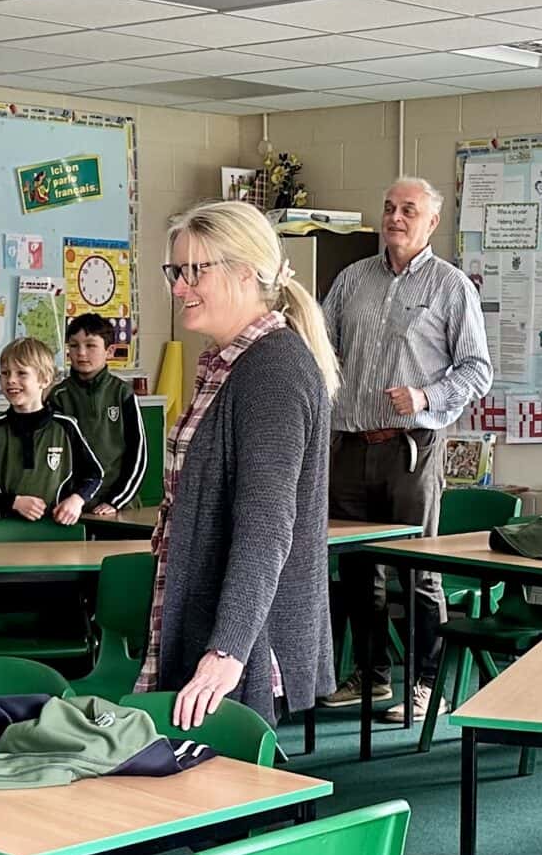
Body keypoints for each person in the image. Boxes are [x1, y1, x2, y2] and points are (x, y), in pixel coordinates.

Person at [141, 200, 339, 732]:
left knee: (226, 797)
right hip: (217, 614)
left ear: (246, 273)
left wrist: (227, 650)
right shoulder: (229, 362)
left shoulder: (272, 371)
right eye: (176, 272)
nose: (180, 287)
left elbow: (267, 525)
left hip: (246, 636)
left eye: (194, 271)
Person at [320, 176, 492, 724]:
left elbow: (478, 371)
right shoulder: (351, 280)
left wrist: (425, 394)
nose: (395, 217)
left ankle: (425, 684)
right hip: (347, 445)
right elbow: (321, 351)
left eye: (408, 210)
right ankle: (368, 677)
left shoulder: (451, 286)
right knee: (356, 572)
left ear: (431, 223)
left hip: (410, 449)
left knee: (418, 574)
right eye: (389, 207)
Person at [0, 337, 103, 524]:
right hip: (0, 533)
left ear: (44, 379)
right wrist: (13, 502)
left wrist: (76, 500)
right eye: (5, 373)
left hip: (55, 533)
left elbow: (94, 475)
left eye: (21, 373)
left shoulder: (65, 427)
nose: (11, 380)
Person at [49, 312, 149, 517]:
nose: (81, 353)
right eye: (74, 346)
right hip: (73, 506)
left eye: (90, 345)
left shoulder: (123, 393)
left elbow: (138, 455)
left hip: (119, 504)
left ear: (109, 351)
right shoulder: (58, 396)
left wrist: (116, 501)